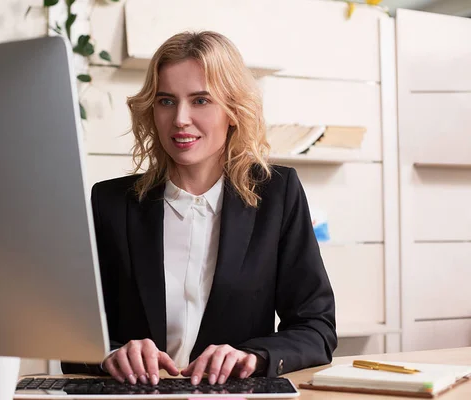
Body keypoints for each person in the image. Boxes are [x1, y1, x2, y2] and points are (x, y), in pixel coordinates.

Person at [62, 31, 337, 386]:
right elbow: (71, 337)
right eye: (165, 101)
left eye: (201, 100)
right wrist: (113, 354)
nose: (180, 118)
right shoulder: (111, 202)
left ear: (233, 111)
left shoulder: (277, 195)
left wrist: (253, 356)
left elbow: (316, 327)